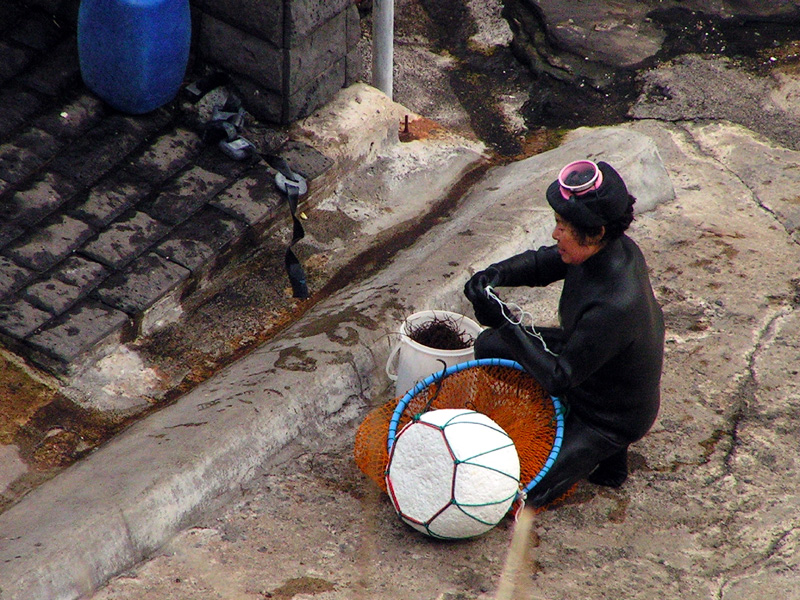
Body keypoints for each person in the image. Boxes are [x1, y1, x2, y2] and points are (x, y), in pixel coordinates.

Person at [463, 160, 664, 508]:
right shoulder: (597, 250)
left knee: (521, 493)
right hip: (582, 359)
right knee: (488, 346)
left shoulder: (615, 303)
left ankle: (608, 448)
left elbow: (559, 377)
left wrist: (505, 323)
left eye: (563, 227)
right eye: (557, 223)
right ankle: (596, 453)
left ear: (597, 231)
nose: (556, 234)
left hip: (607, 416)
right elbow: (543, 264)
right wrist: (493, 275)